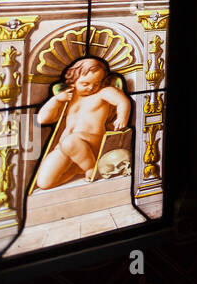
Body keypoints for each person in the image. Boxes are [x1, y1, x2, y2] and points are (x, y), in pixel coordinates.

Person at [34, 57, 132, 189]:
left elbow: (122, 101)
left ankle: (91, 167)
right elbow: (42, 119)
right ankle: (75, 170)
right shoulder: (68, 95)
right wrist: (56, 100)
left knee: (71, 141)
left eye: (96, 83)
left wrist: (122, 118)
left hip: (91, 144)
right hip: (65, 147)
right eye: (85, 84)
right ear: (73, 80)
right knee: (44, 183)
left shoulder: (103, 92)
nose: (91, 87)